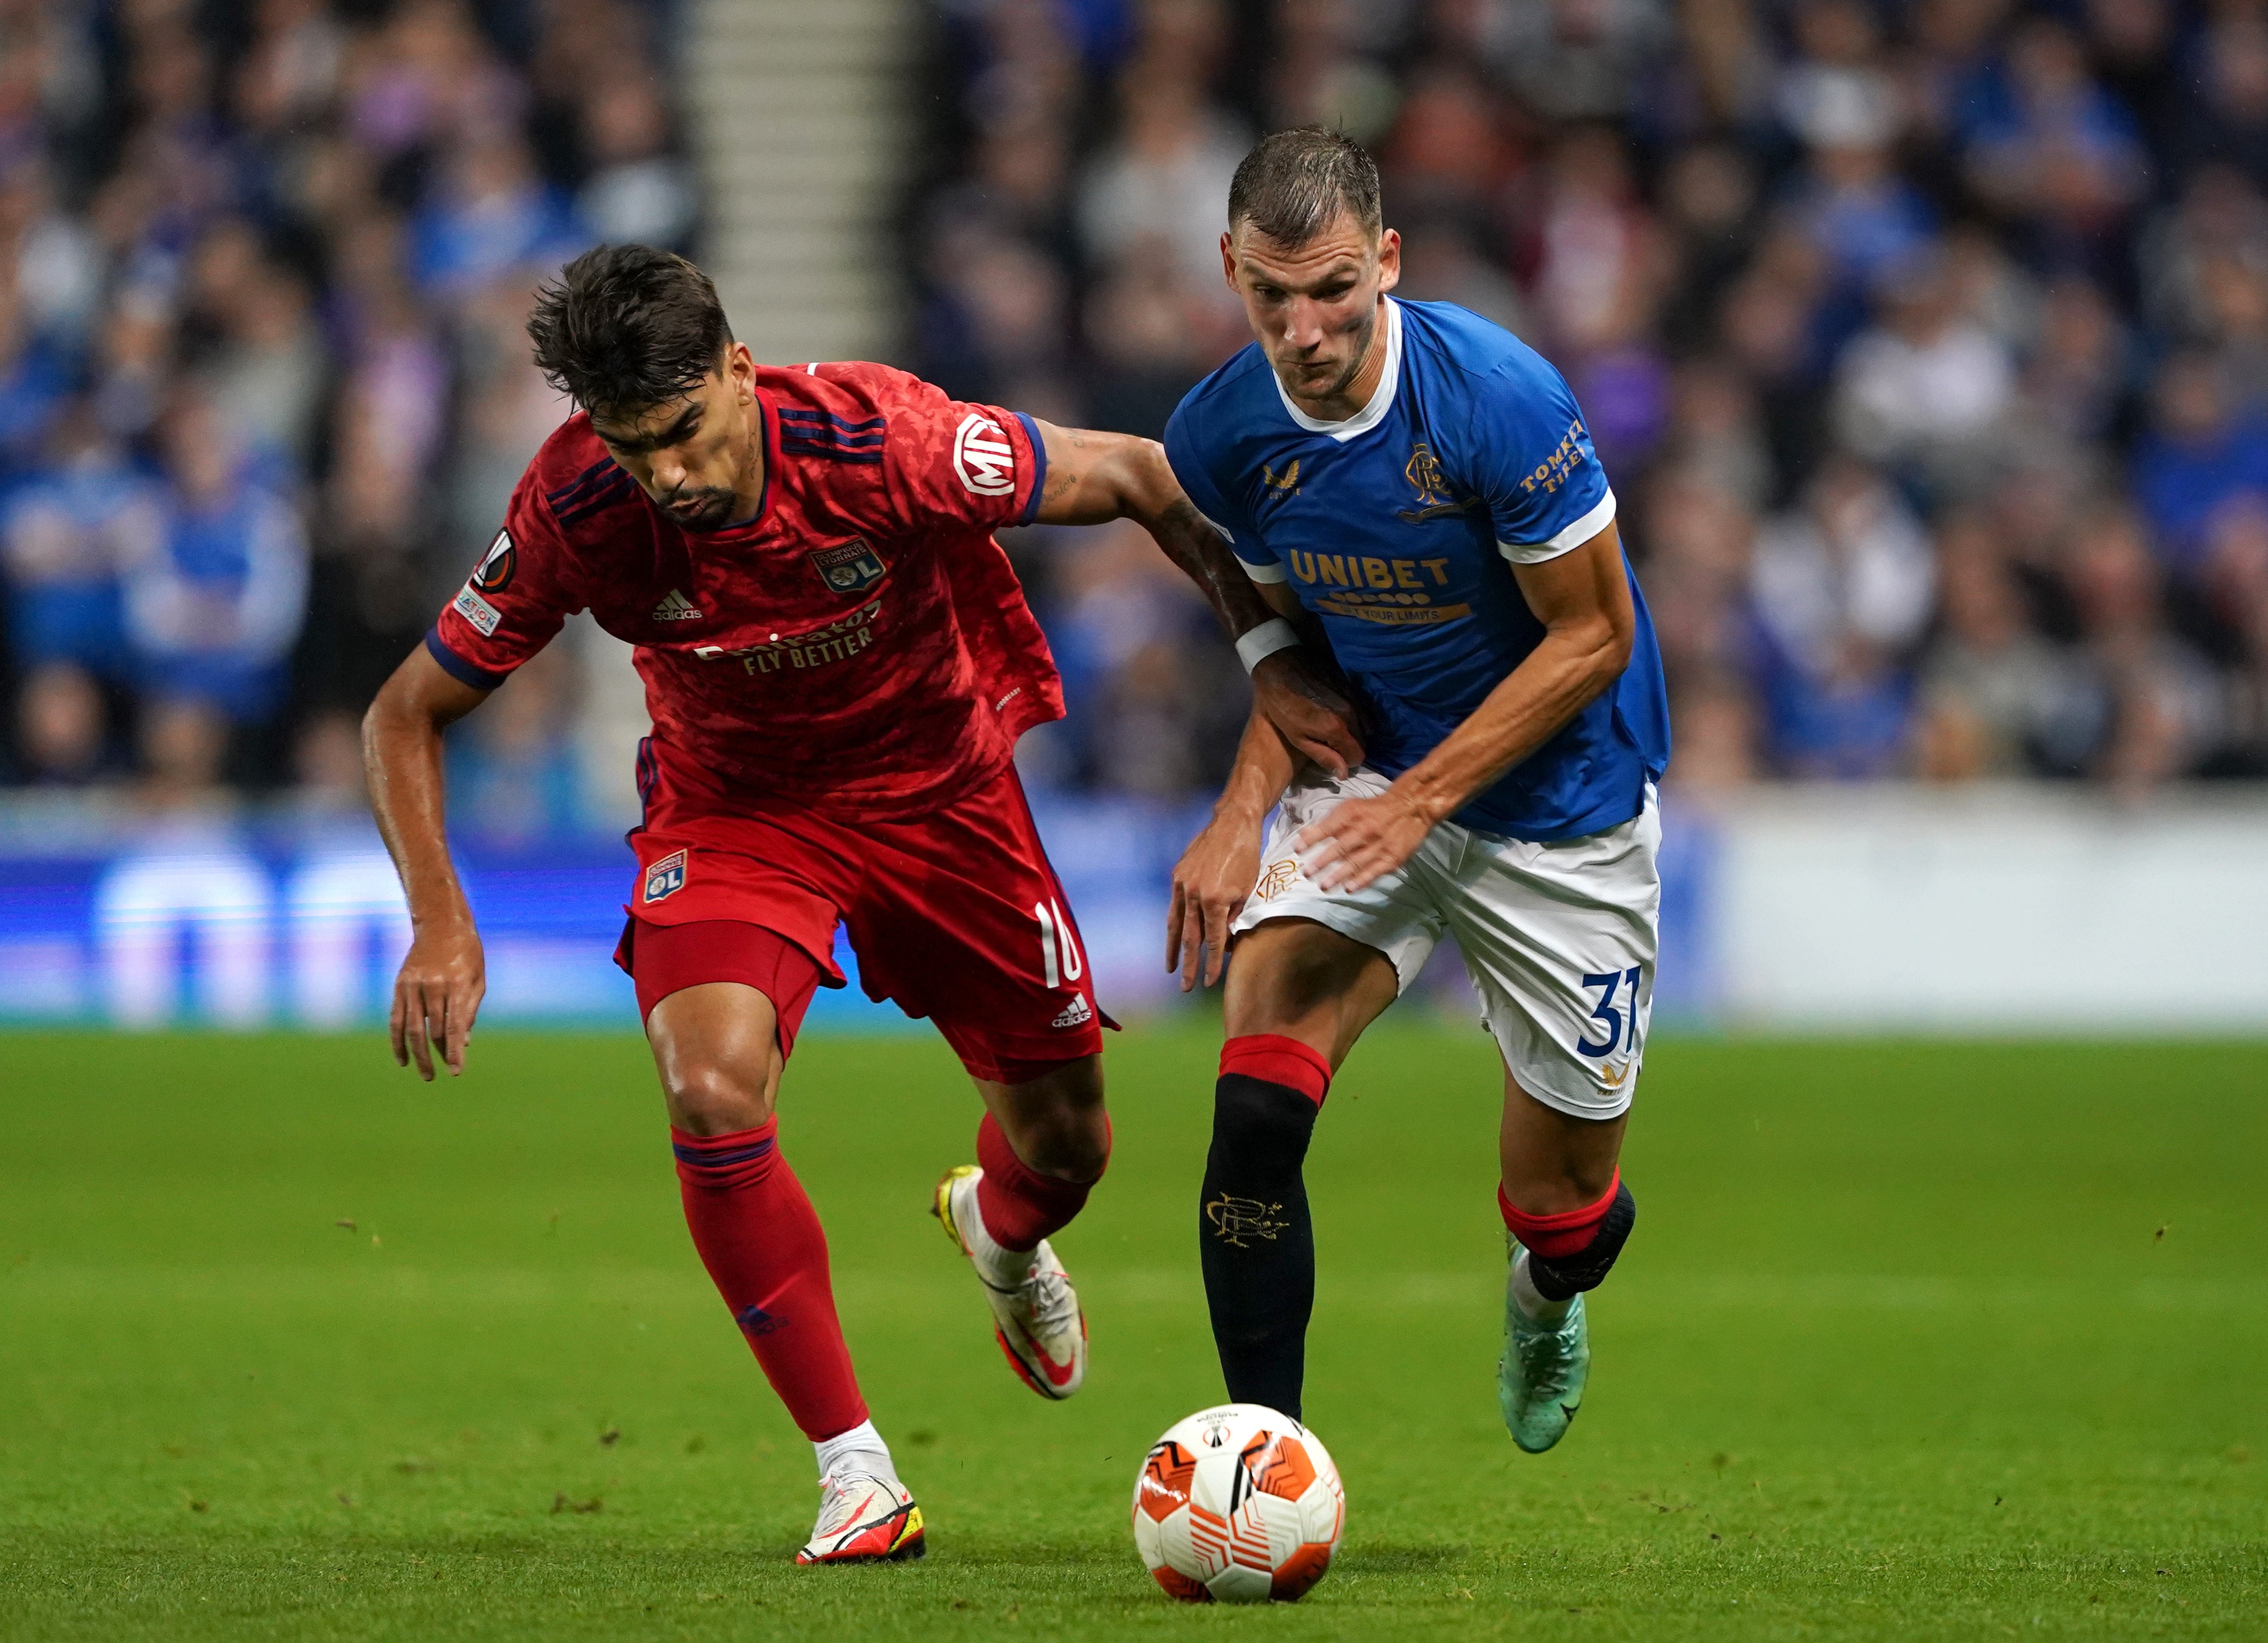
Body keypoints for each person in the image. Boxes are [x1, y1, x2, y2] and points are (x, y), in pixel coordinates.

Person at [361, 246, 1356, 1565]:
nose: (662, 475)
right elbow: (405, 711)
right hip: (738, 816)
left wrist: (1268, 660)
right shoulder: (576, 509)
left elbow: (1140, 476)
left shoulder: (885, 439)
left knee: (1069, 1150)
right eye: (625, 443)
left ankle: (998, 1233)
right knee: (710, 1089)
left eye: (681, 434)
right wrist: (439, 913)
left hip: (945, 807)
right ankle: (856, 1472)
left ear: (737, 370)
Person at [1163, 131, 1671, 1453]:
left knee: (1568, 1210)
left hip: (1559, 809)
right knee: (1256, 1104)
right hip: (1380, 780)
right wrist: (1237, 812)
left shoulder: (1498, 398)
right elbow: (1288, 646)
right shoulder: (1222, 432)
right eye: (1271, 296)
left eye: (1332, 288)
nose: (1304, 327)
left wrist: (1427, 799)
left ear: (1387, 260)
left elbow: (1593, 637)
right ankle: (1258, 1458)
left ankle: (1545, 1297)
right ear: (1230, 271)